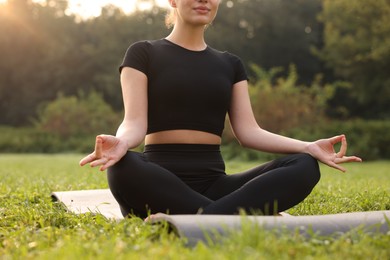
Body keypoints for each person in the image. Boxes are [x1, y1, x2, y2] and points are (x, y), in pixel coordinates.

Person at [79, 0, 362, 219]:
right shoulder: (142, 53)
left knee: (303, 166)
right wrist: (122, 143)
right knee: (122, 165)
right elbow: (134, 123)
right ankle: (234, 215)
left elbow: (249, 131)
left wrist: (308, 147)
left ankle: (200, 217)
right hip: (158, 181)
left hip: (215, 183)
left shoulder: (230, 64)